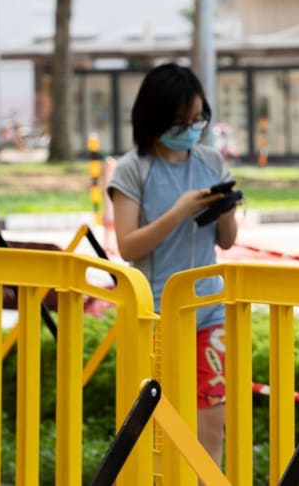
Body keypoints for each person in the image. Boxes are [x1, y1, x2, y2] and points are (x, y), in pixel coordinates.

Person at [107, 62, 238, 467]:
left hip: (209, 315)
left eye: (198, 118)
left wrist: (226, 209)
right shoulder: (134, 169)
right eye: (182, 120)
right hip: (155, 317)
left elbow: (228, 242)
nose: (191, 128)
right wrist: (178, 213)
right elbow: (127, 246)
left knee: (210, 429)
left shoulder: (211, 161)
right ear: (155, 119)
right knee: (155, 431)